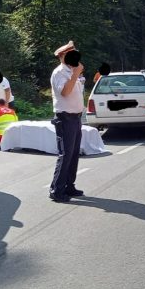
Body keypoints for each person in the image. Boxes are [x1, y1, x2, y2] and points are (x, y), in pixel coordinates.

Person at [49, 40, 86, 202]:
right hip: (65, 118)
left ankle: (69, 186)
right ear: (63, 56)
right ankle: (56, 190)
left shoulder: (71, 71)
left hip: (75, 117)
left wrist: (76, 74)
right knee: (65, 154)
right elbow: (65, 92)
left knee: (73, 154)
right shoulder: (59, 73)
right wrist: (76, 74)